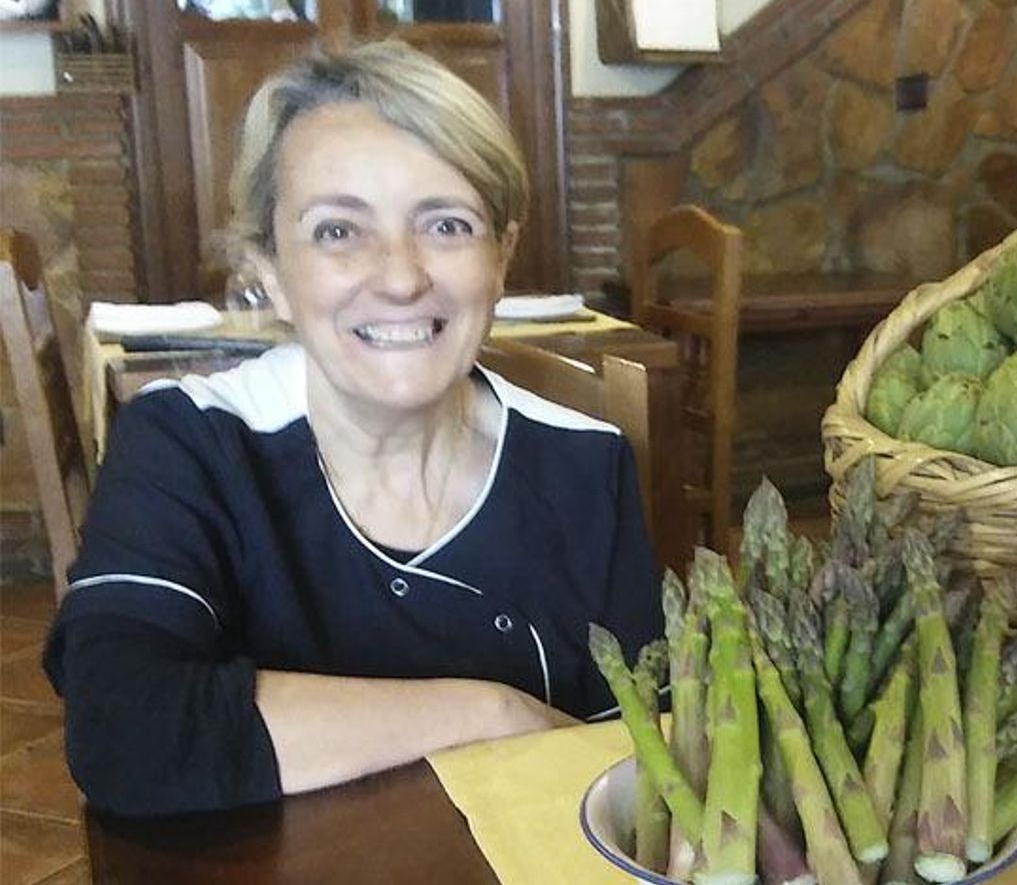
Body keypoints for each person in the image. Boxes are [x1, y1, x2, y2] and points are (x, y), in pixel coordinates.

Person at [45, 41, 663, 815]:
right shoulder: (188, 441)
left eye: (447, 225)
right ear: (268, 268)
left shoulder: (586, 462)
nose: (401, 276)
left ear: (501, 257)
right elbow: (125, 732)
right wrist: (490, 712)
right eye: (339, 231)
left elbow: (634, 762)